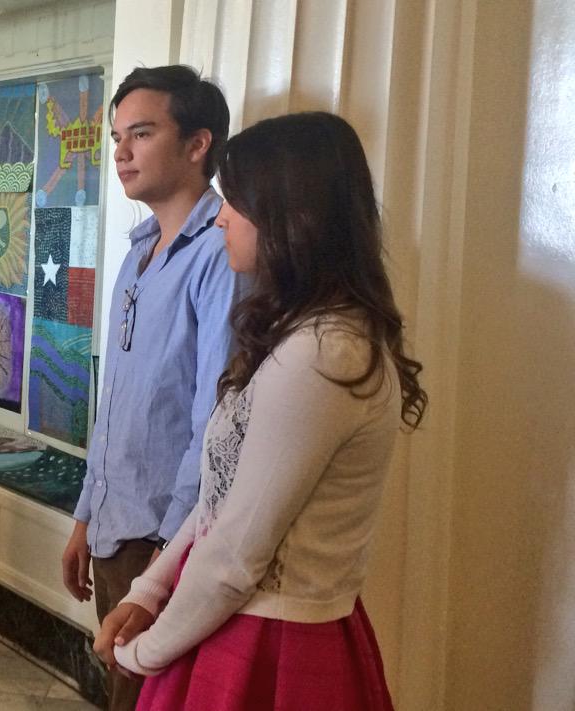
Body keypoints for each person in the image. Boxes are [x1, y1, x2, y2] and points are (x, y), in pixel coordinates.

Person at [92, 111, 428, 710]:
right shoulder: (301, 334)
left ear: (291, 218)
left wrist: (145, 654)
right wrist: (148, 591)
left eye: (237, 203)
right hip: (229, 619)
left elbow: (236, 553)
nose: (222, 216)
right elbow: (220, 500)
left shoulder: (324, 352)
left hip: (273, 640)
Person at [60, 65, 238, 711]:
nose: (121, 152)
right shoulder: (139, 251)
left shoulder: (220, 253)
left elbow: (213, 420)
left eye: (141, 133)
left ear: (197, 144)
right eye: (116, 137)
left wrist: (166, 554)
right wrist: (85, 514)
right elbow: (116, 400)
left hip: (163, 537)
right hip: (115, 525)